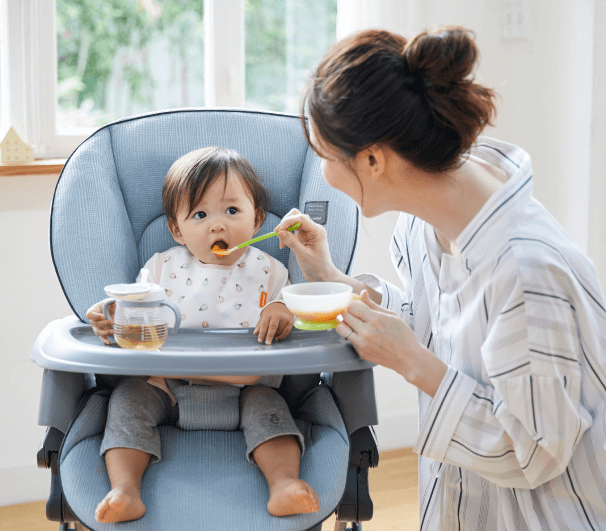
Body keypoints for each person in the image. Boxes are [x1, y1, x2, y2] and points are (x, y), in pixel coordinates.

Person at [274, 26, 606, 530]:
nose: (322, 173)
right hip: (462, 500)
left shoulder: (527, 273)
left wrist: (410, 361)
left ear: (372, 159)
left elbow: (534, 453)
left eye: (325, 155)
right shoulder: (427, 221)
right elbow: (436, 329)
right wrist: (329, 277)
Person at [86, 147, 320, 523]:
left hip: (248, 387)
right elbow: (136, 307)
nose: (217, 225)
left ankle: (283, 483)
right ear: (176, 230)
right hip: (168, 385)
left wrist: (282, 310)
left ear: (257, 219)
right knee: (129, 400)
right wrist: (110, 315)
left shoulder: (270, 270)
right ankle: (126, 488)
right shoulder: (162, 267)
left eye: (232, 210)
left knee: (272, 412)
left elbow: (295, 310)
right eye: (200, 214)